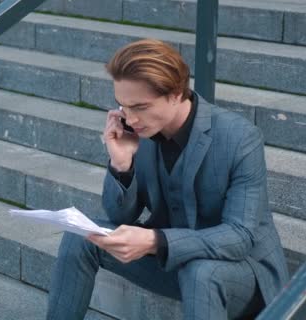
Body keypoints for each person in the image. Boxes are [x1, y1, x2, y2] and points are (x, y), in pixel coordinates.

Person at [46, 39, 289, 320]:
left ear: (175, 93)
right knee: (83, 238)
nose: (131, 118)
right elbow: (117, 214)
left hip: (239, 273)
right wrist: (121, 163)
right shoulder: (139, 133)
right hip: (177, 263)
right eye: (123, 106)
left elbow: (240, 237)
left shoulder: (239, 137)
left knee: (202, 272)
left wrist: (155, 240)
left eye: (140, 107)